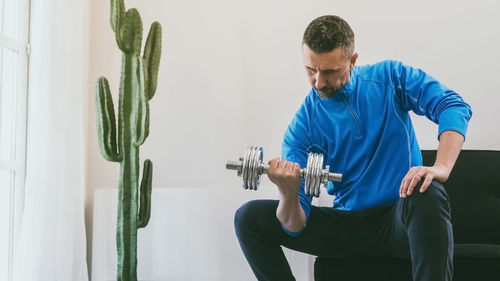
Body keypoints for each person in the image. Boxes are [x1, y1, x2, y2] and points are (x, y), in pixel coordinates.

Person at [234, 15, 472, 281]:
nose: (318, 82)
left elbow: (452, 105)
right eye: (311, 70)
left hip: (399, 221)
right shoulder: (302, 127)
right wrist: (289, 193)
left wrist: (441, 167)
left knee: (427, 189)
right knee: (248, 218)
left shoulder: (389, 79)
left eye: (329, 71)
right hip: (347, 227)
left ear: (353, 61)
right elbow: (294, 226)